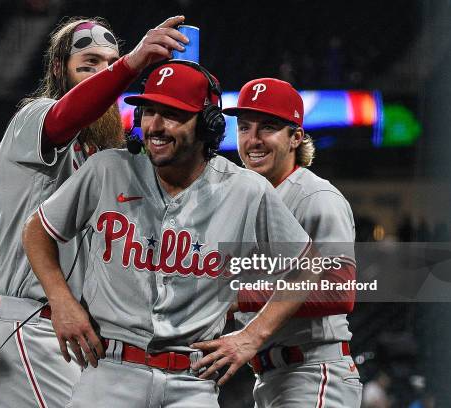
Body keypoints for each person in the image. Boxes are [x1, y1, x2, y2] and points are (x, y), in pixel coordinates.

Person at [21, 59, 320, 407]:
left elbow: (307, 265)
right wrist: (61, 301)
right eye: (148, 111)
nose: (155, 126)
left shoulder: (246, 190)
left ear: (208, 125)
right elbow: (37, 230)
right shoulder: (108, 169)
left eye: (173, 114)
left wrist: (253, 336)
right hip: (110, 371)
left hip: (192, 382)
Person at [0, 15, 190, 408]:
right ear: (59, 69)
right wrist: (131, 64)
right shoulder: (35, 117)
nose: (100, 74)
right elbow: (69, 115)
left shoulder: (107, 157)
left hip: (77, 335)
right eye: (88, 65)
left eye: (108, 63)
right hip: (29, 325)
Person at [211, 78, 362, 407]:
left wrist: (239, 297)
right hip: (268, 376)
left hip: (313, 370)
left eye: (268, 127)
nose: (253, 140)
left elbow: (338, 291)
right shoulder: (243, 201)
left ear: (296, 137)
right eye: (244, 128)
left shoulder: (316, 197)